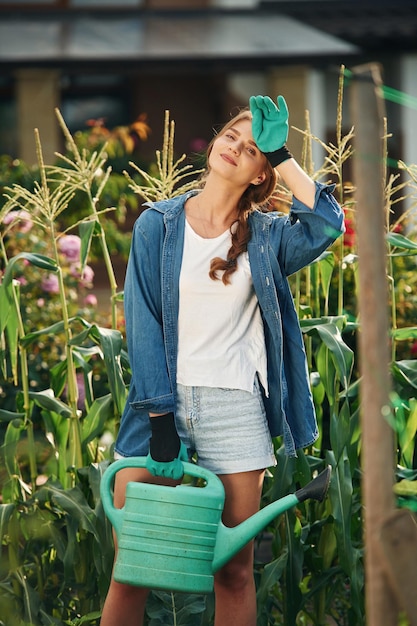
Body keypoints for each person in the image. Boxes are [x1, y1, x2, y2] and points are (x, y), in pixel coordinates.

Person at [100, 95, 344, 626]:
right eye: (231, 137)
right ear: (214, 144)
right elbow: (141, 326)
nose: (237, 148)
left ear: (262, 174)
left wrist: (283, 152)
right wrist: (161, 419)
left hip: (235, 410)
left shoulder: (268, 236)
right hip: (157, 412)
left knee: (232, 571)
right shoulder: (156, 225)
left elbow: (328, 223)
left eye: (253, 148)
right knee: (133, 569)